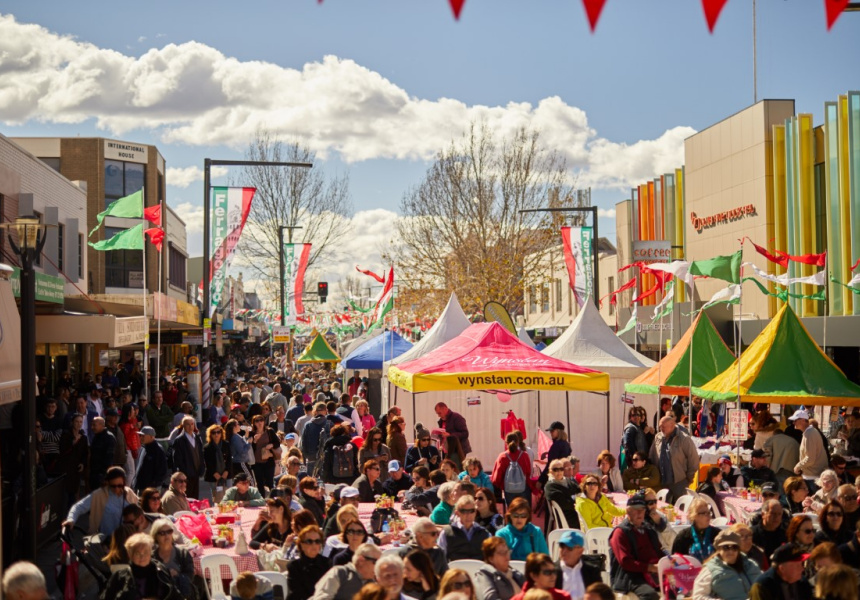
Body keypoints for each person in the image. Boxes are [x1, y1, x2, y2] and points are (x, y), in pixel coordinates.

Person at [608, 495, 665, 600]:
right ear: (628, 511)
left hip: (652, 572)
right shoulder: (620, 532)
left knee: (677, 587)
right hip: (630, 576)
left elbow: (659, 551)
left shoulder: (648, 529)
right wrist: (649, 567)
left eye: (642, 510)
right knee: (650, 595)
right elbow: (625, 562)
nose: (639, 513)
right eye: (635, 510)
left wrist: (667, 561)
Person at [101, 532, 182, 600]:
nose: (142, 556)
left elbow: (175, 594)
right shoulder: (120, 577)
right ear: (130, 554)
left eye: (146, 552)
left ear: (151, 552)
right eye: (137, 553)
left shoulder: (161, 570)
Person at [64, 466, 138, 536]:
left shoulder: (128, 493)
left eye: (120, 485)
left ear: (124, 483)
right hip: (106, 541)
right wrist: (71, 520)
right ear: (107, 483)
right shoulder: (99, 495)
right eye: (113, 486)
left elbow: (137, 511)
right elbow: (78, 507)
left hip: (127, 539)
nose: (117, 489)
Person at [691, 529, 762, 600]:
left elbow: (765, 586)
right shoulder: (709, 570)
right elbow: (698, 596)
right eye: (726, 547)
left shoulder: (750, 565)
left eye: (734, 547)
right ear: (718, 549)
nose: (730, 551)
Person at [648, 415, 699, 504]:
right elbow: (652, 455)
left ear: (672, 425)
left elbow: (693, 459)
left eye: (663, 426)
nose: (661, 429)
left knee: (680, 508)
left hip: (679, 482)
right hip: (661, 482)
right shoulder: (658, 437)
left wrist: (688, 479)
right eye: (660, 426)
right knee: (663, 508)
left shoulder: (684, 439)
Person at [310, 543, 381, 600]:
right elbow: (322, 598)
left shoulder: (371, 583)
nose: (379, 567)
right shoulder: (340, 573)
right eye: (376, 562)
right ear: (361, 560)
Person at [749, 542, 814, 600]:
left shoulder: (802, 582)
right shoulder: (762, 586)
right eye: (797, 565)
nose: (802, 569)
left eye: (801, 564)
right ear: (782, 568)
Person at [150, 518, 196, 598]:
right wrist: (166, 575)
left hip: (181, 594)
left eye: (169, 532)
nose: (167, 535)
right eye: (162, 533)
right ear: (155, 536)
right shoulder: (152, 557)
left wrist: (177, 575)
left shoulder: (183, 553)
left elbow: (190, 575)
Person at [439, 495, 491, 560]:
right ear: (457, 513)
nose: (468, 515)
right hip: (454, 569)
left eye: (471, 511)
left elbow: (491, 558)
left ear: (475, 512)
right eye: (464, 511)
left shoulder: (484, 533)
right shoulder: (446, 533)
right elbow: (440, 558)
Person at [286, 524, 331, 600]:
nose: (314, 545)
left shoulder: (328, 563)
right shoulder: (294, 566)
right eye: (309, 541)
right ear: (302, 545)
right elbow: (297, 594)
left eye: (317, 541)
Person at [554, 531, 602, 600]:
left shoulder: (592, 572)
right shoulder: (551, 571)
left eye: (569, 548)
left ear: (580, 551)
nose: (564, 551)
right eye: (562, 546)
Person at [671, 497, 721, 562]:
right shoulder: (683, 537)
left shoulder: (718, 534)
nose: (708, 516)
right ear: (694, 516)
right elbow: (675, 561)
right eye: (704, 513)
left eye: (709, 513)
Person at [492, 432, 532, 508]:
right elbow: (528, 472)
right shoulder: (524, 455)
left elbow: (497, 478)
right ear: (518, 442)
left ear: (506, 443)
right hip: (523, 488)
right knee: (524, 511)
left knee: (511, 512)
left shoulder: (502, 457)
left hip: (509, 489)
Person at [58, 413, 90, 506]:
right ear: (72, 422)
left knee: (73, 491)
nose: (79, 424)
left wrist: (83, 463)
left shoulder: (83, 437)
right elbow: (62, 450)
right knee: (65, 493)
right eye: (76, 421)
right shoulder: (66, 435)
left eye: (81, 422)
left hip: (76, 468)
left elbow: (85, 453)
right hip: (66, 467)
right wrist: (73, 443)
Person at [172, 416, 205, 501]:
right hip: (186, 475)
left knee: (195, 498)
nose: (190, 427)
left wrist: (202, 468)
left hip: (196, 472)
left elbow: (201, 454)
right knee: (186, 498)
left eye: (192, 424)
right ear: (183, 426)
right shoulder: (179, 440)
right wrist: (183, 472)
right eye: (187, 424)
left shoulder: (197, 438)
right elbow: (177, 459)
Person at [790, 409, 829, 481]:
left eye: (795, 420)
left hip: (813, 477)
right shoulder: (809, 432)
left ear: (803, 420)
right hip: (812, 475)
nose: (793, 423)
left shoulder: (810, 433)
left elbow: (810, 459)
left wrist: (798, 466)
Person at [544, 459, 581, 530]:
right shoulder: (550, 486)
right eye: (556, 469)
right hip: (566, 516)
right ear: (551, 471)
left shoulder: (568, 481)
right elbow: (564, 503)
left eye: (561, 469)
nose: (559, 472)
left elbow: (580, 490)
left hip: (576, 511)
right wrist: (576, 499)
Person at [250, 414, 280, 491]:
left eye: (261, 420)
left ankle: (272, 500)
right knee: (260, 484)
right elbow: (249, 448)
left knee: (270, 483)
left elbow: (277, 443)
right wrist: (254, 441)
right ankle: (262, 501)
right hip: (257, 463)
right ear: (254, 423)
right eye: (257, 421)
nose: (260, 422)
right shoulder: (252, 434)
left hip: (268, 462)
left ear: (264, 422)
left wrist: (271, 445)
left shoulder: (270, 431)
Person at [204, 423, 232, 504]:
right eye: (214, 432)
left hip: (226, 474)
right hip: (214, 475)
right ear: (210, 434)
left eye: (218, 432)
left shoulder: (226, 444)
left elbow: (229, 459)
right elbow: (207, 463)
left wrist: (226, 472)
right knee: (216, 496)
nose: (216, 434)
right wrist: (215, 474)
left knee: (228, 495)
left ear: (221, 433)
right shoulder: (207, 447)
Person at [134, 426, 167, 493]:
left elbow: (162, 470)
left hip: (151, 489)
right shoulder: (143, 448)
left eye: (143, 436)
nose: (141, 437)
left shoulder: (158, 450)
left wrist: (154, 485)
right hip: (141, 486)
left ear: (151, 437)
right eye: (140, 435)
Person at [621, 408, 649, 473]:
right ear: (630, 417)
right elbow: (627, 444)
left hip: (641, 460)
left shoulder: (638, 428)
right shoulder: (631, 428)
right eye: (633, 415)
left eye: (638, 415)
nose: (636, 417)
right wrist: (635, 459)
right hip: (636, 462)